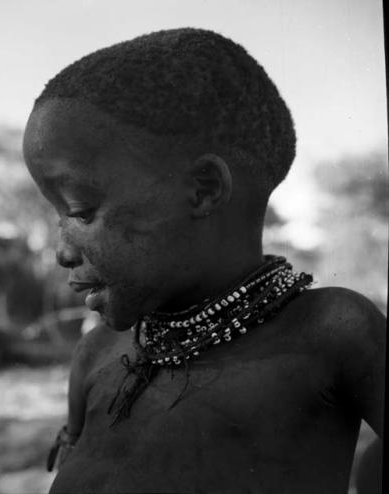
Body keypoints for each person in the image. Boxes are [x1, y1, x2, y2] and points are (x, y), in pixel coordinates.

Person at [23, 28, 385, 494]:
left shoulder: (333, 332)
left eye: (79, 212)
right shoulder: (96, 354)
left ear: (203, 189)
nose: (62, 251)